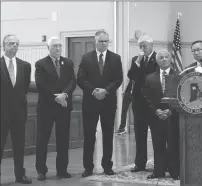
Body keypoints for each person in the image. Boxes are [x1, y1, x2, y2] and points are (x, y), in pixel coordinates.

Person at [77, 30, 123, 177]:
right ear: (95, 41)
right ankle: (88, 167)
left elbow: (118, 79)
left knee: (108, 135)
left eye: (106, 41)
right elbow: (81, 79)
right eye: (101, 41)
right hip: (90, 102)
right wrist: (95, 91)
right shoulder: (86, 58)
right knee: (89, 135)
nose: (104, 44)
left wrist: (105, 91)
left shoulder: (115, 58)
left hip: (108, 102)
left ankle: (107, 166)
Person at [34, 37, 76, 180]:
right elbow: (41, 84)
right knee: (42, 139)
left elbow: (72, 81)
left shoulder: (68, 62)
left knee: (63, 139)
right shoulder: (41, 64)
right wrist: (56, 97)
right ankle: (41, 170)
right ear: (48, 47)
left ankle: (62, 169)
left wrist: (64, 94)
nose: (58, 48)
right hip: (47, 107)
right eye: (54, 46)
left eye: (59, 46)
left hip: (64, 107)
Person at [143, 49, 180, 180]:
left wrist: (171, 110)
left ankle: (175, 171)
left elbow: (181, 96)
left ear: (170, 59)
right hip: (156, 117)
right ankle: (158, 171)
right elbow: (146, 97)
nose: (164, 59)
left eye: (166, 57)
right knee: (158, 144)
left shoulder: (178, 76)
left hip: (173, 116)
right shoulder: (150, 77)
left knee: (173, 144)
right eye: (161, 57)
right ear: (157, 61)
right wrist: (156, 111)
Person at [0, 34, 32, 184]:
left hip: (19, 112)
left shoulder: (25, 66)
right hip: (1, 113)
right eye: (11, 43)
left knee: (19, 145)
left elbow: (24, 88)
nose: (14, 46)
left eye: (17, 44)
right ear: (4, 46)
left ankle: (20, 175)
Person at [127, 35, 159, 172]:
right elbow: (131, 76)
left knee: (157, 134)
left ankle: (160, 164)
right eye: (140, 46)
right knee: (139, 133)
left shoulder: (159, 58)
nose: (142, 49)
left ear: (152, 45)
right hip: (139, 101)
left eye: (144, 46)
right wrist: (138, 62)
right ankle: (140, 163)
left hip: (153, 101)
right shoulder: (136, 60)